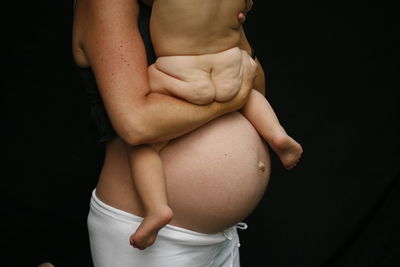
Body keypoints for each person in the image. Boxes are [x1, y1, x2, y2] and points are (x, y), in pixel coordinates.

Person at [73, 0, 287, 266]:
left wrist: (224, 27)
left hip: (221, 236)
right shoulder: (107, 4)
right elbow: (137, 125)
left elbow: (257, 85)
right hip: (155, 237)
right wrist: (232, 98)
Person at [127, 0, 303, 250]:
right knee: (247, 95)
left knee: (144, 147)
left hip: (182, 72)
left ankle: (156, 207)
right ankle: (277, 135)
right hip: (230, 63)